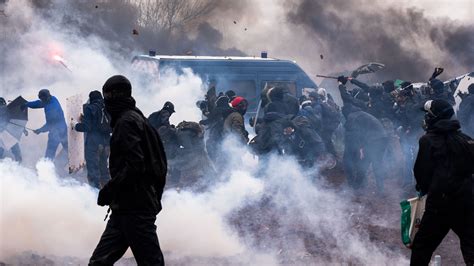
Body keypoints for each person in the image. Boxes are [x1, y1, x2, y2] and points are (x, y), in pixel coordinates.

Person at [89, 75, 166, 265]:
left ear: (115, 96)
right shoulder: (137, 117)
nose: (106, 102)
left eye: (107, 96)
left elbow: (135, 166)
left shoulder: (126, 123)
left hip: (135, 205)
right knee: (99, 261)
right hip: (127, 204)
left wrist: (109, 189)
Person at [410, 99, 474, 265]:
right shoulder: (466, 139)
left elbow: (422, 174)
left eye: (427, 115)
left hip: (440, 205)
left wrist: (424, 189)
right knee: (471, 246)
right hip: (467, 202)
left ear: (434, 118)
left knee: (421, 247)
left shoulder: (427, 140)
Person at [72, 91, 111, 189]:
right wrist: (85, 119)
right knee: (104, 169)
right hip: (106, 142)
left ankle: (95, 194)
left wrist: (75, 125)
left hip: (94, 143)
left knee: (93, 170)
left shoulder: (90, 108)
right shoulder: (108, 107)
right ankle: (108, 193)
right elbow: (99, 122)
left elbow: (87, 127)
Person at [22, 89, 68, 160]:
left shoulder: (52, 108)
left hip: (56, 132)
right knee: (69, 150)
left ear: (45, 98)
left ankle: (46, 168)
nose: (41, 100)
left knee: (49, 154)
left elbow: (49, 125)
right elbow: (38, 103)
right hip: (64, 130)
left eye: (42, 99)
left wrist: (40, 130)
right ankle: (80, 163)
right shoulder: (52, 98)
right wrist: (26, 104)